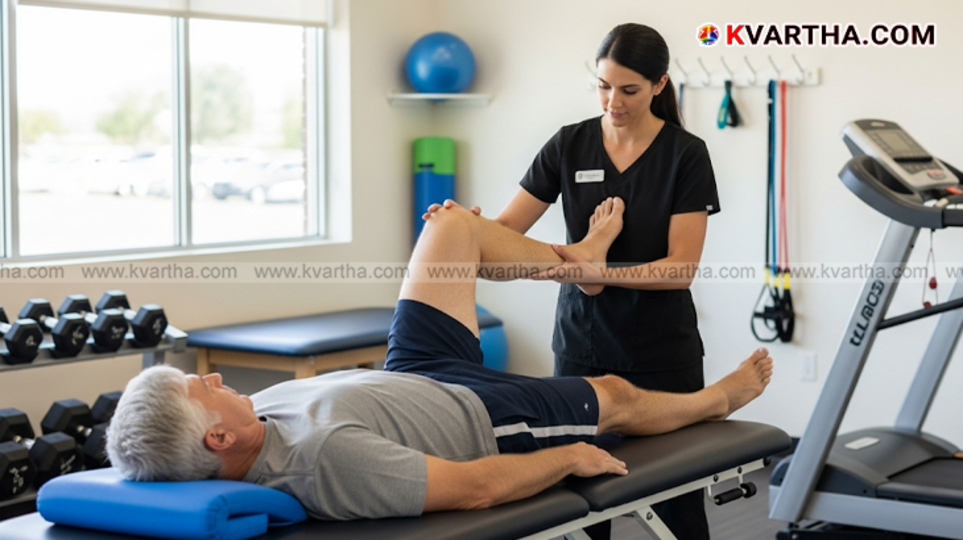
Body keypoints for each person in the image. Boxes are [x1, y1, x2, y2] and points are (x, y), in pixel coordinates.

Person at [106, 201, 771, 522]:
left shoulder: (248, 425)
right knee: (613, 392)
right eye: (203, 387)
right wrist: (569, 458)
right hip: (475, 413)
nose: (215, 376)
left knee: (449, 226)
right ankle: (715, 399)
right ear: (217, 439)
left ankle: (582, 262)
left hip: (413, 368)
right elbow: (476, 486)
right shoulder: (322, 460)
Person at [428, 22, 719, 540]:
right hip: (584, 345)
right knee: (582, 501)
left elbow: (680, 269)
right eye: (604, 86)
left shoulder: (685, 154)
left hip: (661, 350)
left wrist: (595, 270)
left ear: (659, 85)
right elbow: (504, 235)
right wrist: (463, 227)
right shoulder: (570, 145)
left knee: (680, 500)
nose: (614, 101)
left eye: (629, 90)